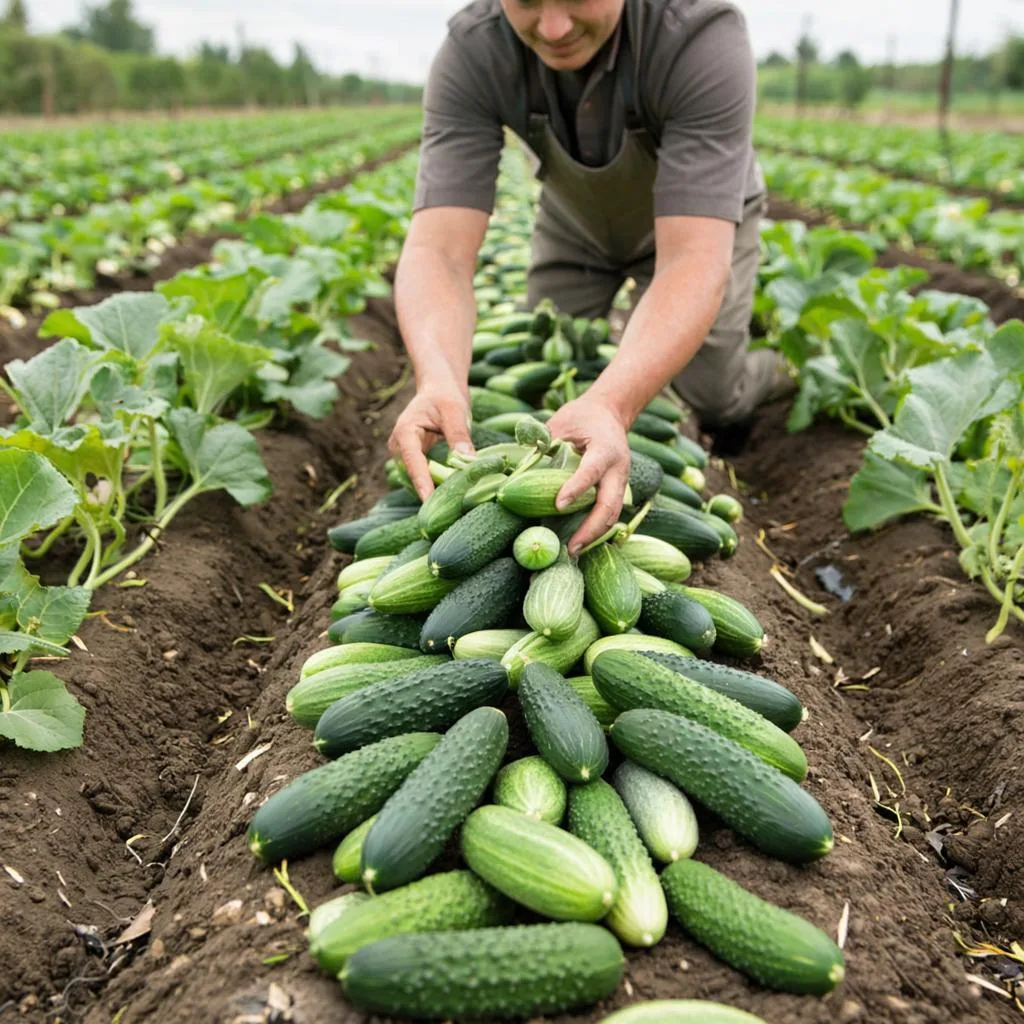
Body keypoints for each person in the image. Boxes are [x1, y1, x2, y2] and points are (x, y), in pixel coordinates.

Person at [388, 0, 778, 554]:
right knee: (558, 355)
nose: (552, 27)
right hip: (577, 224)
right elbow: (439, 250)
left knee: (713, 395)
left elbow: (691, 260)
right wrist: (436, 377)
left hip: (701, 224)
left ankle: (772, 369)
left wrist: (614, 404)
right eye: (525, 0)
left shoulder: (698, 33)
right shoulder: (473, 48)